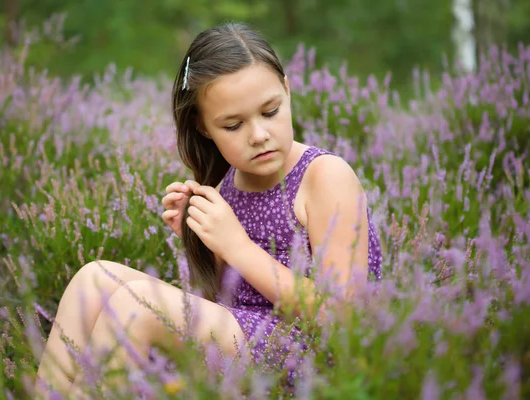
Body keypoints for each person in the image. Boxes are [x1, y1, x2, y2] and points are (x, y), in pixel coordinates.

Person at [34, 22, 382, 398]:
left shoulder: (324, 176)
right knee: (94, 278)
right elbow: (226, 304)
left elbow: (345, 317)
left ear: (287, 89)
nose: (258, 134)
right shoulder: (226, 187)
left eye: (270, 111)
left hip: (312, 355)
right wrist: (201, 245)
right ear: (203, 127)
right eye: (233, 125)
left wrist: (236, 247)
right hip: (250, 343)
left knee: (135, 304)